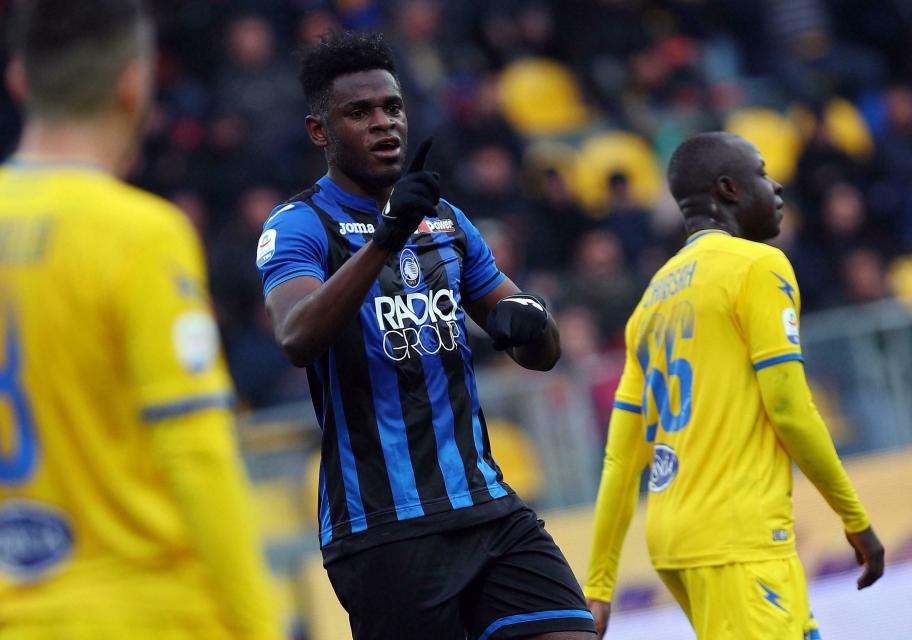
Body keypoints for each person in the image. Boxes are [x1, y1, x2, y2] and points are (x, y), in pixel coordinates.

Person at [0, 1, 281, 638]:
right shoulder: (140, 235)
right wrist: (260, 627)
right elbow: (196, 453)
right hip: (158, 616)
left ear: (20, 79)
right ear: (133, 83)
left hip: (20, 616)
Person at [257, 31, 596, 640]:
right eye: (359, 113)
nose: (383, 123)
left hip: (488, 507)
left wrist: (533, 322)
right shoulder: (299, 225)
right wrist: (386, 235)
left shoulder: (446, 222)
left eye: (392, 107)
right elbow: (296, 335)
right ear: (319, 132)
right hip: (385, 527)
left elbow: (539, 350)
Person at [583, 132, 885, 639]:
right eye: (763, 174)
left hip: (676, 540)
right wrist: (855, 519)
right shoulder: (758, 267)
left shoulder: (650, 303)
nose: (777, 187)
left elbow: (621, 459)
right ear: (729, 189)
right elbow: (789, 407)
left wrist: (599, 584)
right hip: (737, 539)